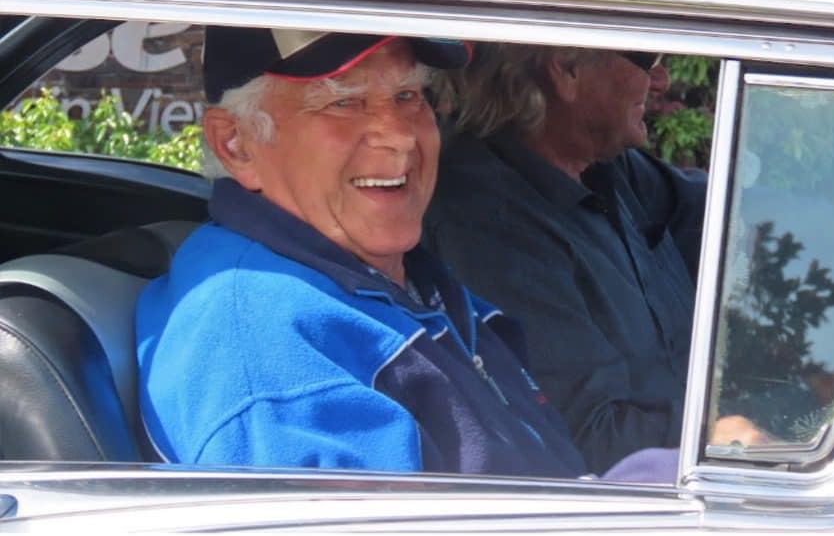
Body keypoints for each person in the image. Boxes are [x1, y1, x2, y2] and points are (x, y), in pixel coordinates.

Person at [137, 26, 639, 479]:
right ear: (236, 145)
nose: (400, 135)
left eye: (408, 95)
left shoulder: (392, 280)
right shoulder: (271, 353)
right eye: (343, 102)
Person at [424, 42, 728, 473]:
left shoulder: (606, 166)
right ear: (566, 70)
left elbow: (726, 213)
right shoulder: (487, 228)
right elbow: (596, 439)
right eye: (649, 61)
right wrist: (730, 429)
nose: (661, 80)